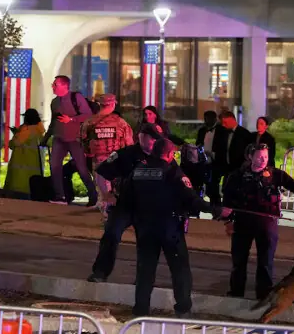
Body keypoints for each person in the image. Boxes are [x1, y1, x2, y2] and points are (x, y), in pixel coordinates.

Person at [128, 138, 231, 317]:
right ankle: (183, 308)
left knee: (145, 270)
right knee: (180, 269)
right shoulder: (173, 172)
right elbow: (192, 199)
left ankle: (140, 310)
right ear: (169, 154)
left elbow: (127, 196)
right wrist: (216, 210)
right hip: (170, 228)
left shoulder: (139, 169)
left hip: (145, 228)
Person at [222, 143, 294, 300]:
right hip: (243, 222)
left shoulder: (275, 174)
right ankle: (236, 293)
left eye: (265, 157)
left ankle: (263, 295)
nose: (263, 160)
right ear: (250, 157)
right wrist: (228, 222)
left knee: (266, 262)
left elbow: (293, 185)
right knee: (239, 261)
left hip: (267, 223)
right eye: (259, 157)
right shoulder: (236, 176)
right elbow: (227, 201)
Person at [89, 123, 164, 283]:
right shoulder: (126, 154)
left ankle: (144, 279)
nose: (153, 143)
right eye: (151, 138)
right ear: (141, 136)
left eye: (156, 139)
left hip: (147, 207)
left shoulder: (160, 156)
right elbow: (102, 172)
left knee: (147, 243)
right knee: (111, 235)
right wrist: (106, 195)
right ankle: (100, 272)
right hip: (124, 204)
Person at [41, 75, 97, 205]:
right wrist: (46, 138)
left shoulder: (76, 98)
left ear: (64, 85)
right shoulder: (55, 102)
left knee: (81, 168)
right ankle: (59, 196)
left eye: (55, 84)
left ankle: (93, 196)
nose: (52, 86)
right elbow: (53, 122)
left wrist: (72, 119)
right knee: (54, 166)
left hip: (75, 139)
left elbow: (88, 115)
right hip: (59, 139)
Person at [81, 93, 134, 207]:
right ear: (112, 105)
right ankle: (111, 208)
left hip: (98, 159)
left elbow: (83, 141)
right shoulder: (121, 123)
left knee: (101, 185)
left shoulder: (89, 122)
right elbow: (129, 144)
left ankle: (104, 204)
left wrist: (89, 153)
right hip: (116, 159)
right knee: (115, 187)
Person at [207, 111, 252, 205]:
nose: (223, 125)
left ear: (232, 119)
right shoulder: (223, 132)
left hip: (238, 167)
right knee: (224, 189)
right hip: (225, 166)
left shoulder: (244, 134)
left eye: (225, 122)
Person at [4, 109, 46, 197]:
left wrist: (16, 134)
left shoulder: (26, 130)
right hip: (34, 169)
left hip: (21, 172)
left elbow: (14, 143)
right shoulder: (39, 130)